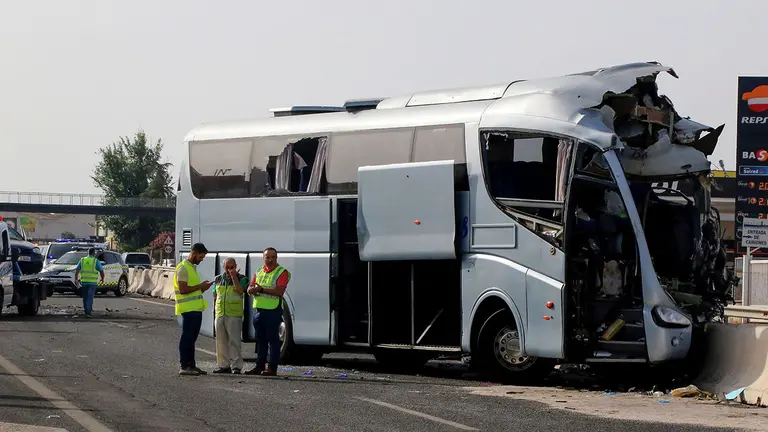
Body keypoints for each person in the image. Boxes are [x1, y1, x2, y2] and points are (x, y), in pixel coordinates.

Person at [244, 247, 291, 376]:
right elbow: (251, 285)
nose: (270, 260)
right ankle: (259, 366)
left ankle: (272, 368)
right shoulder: (259, 271)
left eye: (273, 257)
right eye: (267, 257)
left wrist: (261, 290)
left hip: (273, 310)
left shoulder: (282, 272)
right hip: (259, 310)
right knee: (260, 340)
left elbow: (279, 292)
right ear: (263, 258)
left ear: (276, 258)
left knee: (273, 340)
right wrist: (250, 289)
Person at [174, 242, 213, 376]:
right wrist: (199, 286)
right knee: (187, 337)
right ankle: (184, 366)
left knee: (192, 338)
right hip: (188, 309)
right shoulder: (183, 268)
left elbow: (194, 291)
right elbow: (183, 289)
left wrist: (203, 287)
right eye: (201, 257)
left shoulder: (191, 268)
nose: (201, 260)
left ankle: (192, 365)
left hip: (196, 309)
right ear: (194, 252)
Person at [212, 258, 247, 374]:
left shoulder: (242, 278)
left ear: (236, 266)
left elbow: (240, 291)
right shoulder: (218, 279)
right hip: (220, 313)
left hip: (234, 314)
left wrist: (234, 277)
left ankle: (236, 366)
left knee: (234, 341)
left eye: (232, 267)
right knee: (221, 341)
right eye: (227, 267)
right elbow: (214, 294)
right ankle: (223, 365)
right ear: (223, 267)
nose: (229, 270)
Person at [73, 248, 105, 318]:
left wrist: (76, 279)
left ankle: (86, 310)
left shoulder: (82, 260)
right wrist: (102, 278)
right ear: (94, 253)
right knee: (90, 297)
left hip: (84, 282)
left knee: (85, 297)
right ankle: (88, 311)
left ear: (88, 252)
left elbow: (77, 270)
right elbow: (101, 271)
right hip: (92, 283)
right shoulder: (95, 261)